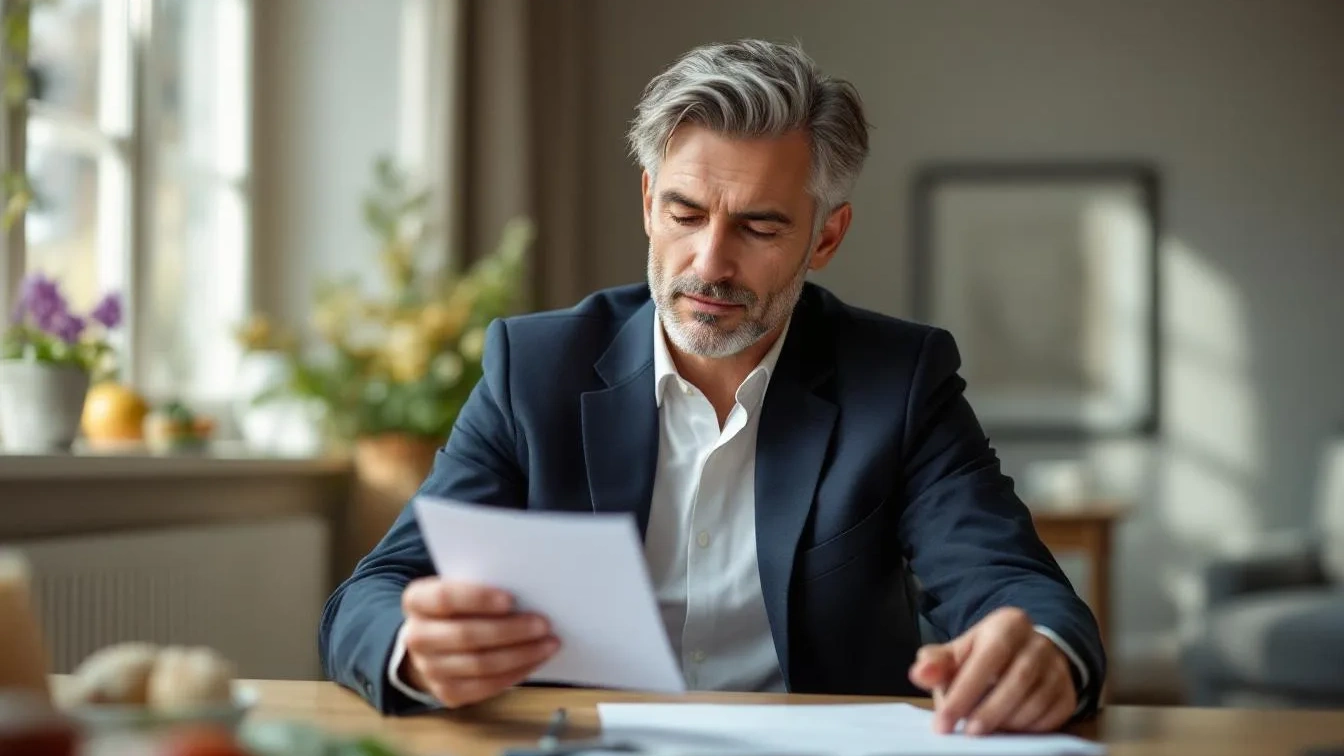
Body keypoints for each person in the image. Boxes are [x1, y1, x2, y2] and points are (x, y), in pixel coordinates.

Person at [319, 39, 1104, 735]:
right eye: (685, 213)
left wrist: (1042, 652)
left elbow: (1013, 583)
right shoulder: (537, 369)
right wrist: (413, 652)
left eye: (759, 227)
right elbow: (374, 593)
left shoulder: (896, 382)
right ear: (647, 203)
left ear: (825, 235)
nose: (709, 264)